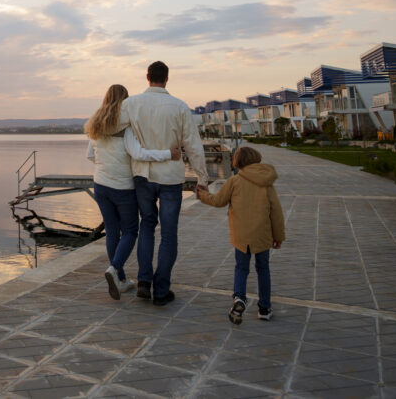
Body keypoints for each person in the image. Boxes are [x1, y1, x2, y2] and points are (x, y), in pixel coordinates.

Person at [121, 61, 208, 305]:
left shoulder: (131, 104)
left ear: (147, 77)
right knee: (169, 234)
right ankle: (161, 291)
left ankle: (144, 282)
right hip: (170, 177)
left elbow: (114, 129)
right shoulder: (179, 107)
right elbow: (193, 144)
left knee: (147, 225)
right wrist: (202, 178)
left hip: (143, 175)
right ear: (167, 78)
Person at [85, 84, 181, 300]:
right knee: (130, 231)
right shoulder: (127, 126)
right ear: (126, 101)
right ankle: (114, 269)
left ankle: (120, 280)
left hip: (100, 185)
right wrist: (168, 153)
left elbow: (90, 156)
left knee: (112, 231)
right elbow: (139, 153)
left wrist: (106, 166)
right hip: (122, 187)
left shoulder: (96, 124)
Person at [196, 146, 286, 323]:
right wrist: (278, 236)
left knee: (241, 268)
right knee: (263, 269)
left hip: (242, 236)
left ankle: (239, 298)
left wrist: (202, 195)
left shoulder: (234, 181)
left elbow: (218, 201)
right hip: (263, 235)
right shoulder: (267, 182)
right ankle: (265, 308)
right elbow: (276, 211)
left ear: (238, 162)